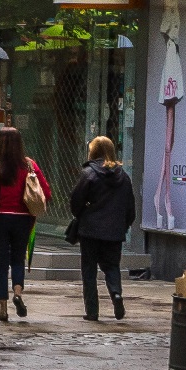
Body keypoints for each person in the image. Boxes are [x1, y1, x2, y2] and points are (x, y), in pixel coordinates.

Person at [0, 126, 51, 321]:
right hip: (23, 218)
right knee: (18, 258)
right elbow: (45, 192)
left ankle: (3, 309)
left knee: (1, 262)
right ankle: (18, 294)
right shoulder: (29, 165)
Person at [71, 135, 138, 322]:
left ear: (93, 152)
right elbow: (130, 208)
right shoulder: (123, 177)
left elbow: (76, 201)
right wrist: (122, 226)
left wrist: (82, 215)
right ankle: (116, 293)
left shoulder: (88, 174)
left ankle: (92, 311)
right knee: (112, 267)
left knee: (89, 270)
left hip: (90, 231)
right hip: (114, 232)